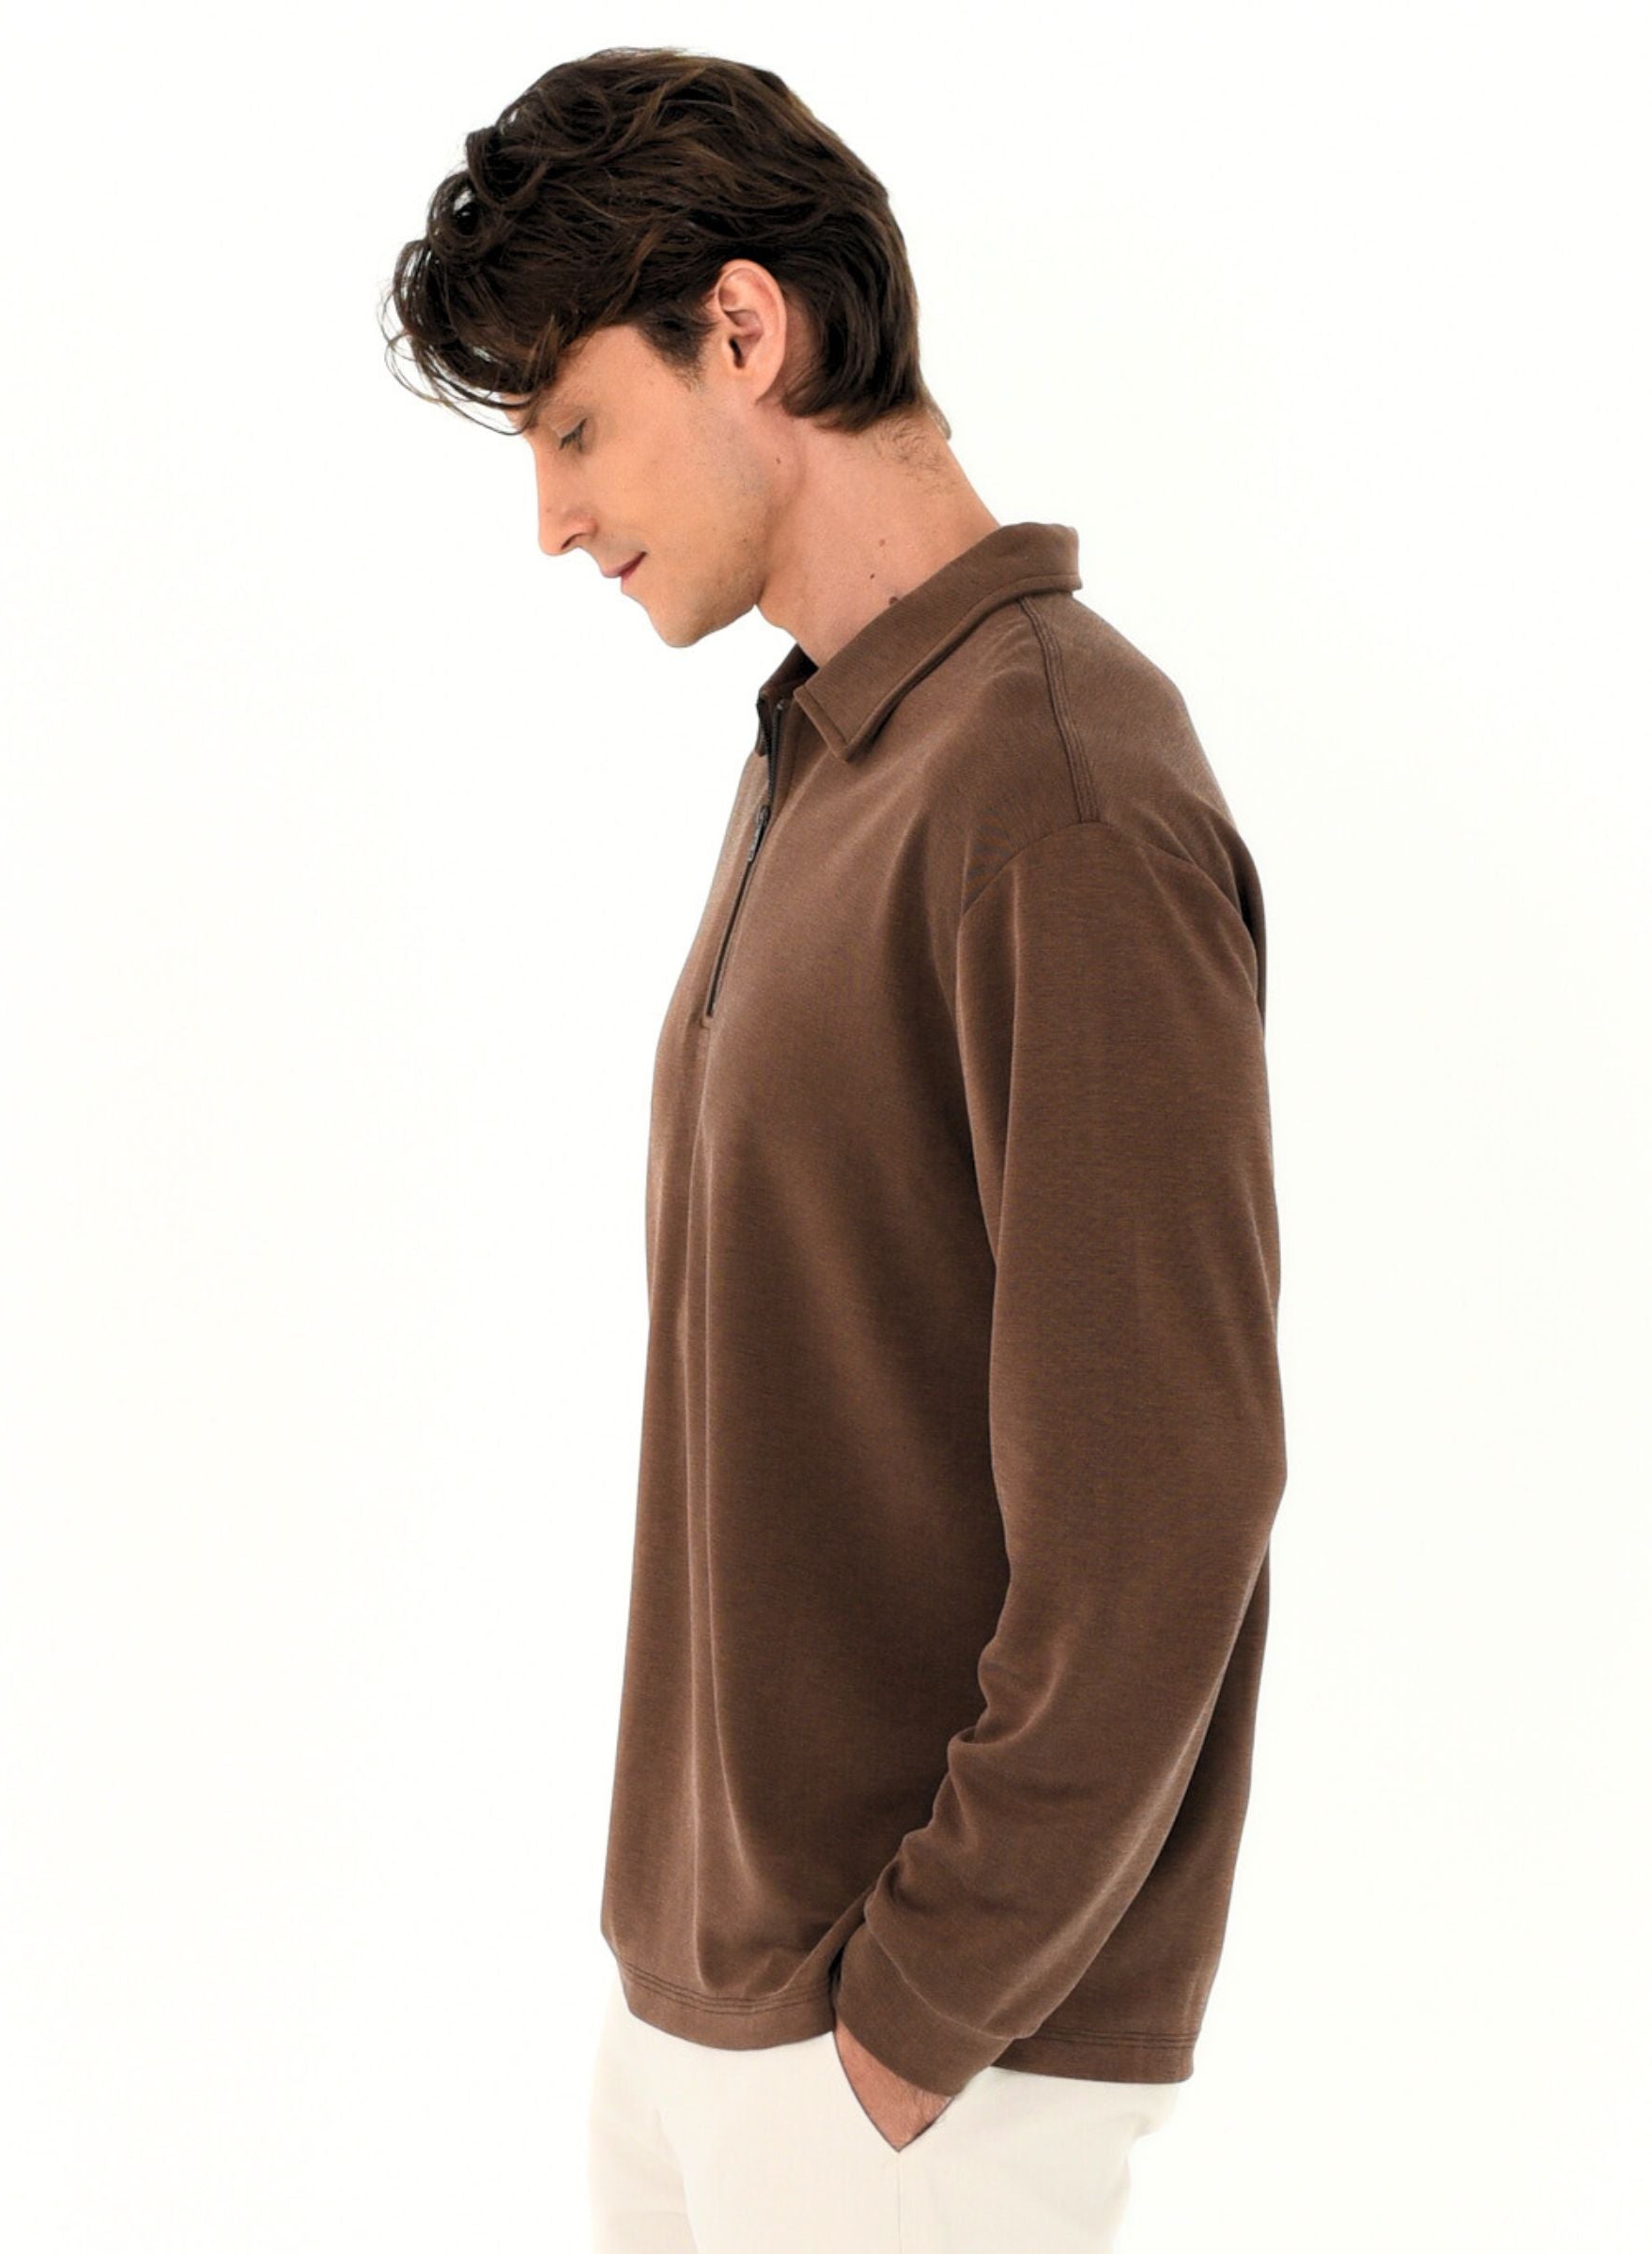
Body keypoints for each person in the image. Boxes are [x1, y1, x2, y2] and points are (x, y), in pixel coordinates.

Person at [383, 45, 1288, 2254]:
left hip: (907, 2067)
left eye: (574, 426)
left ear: (746, 332)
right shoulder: (830, 750)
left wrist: (918, 2012)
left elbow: (1168, 1504)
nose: (551, 520)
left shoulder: (1058, 784)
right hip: (707, 2012)